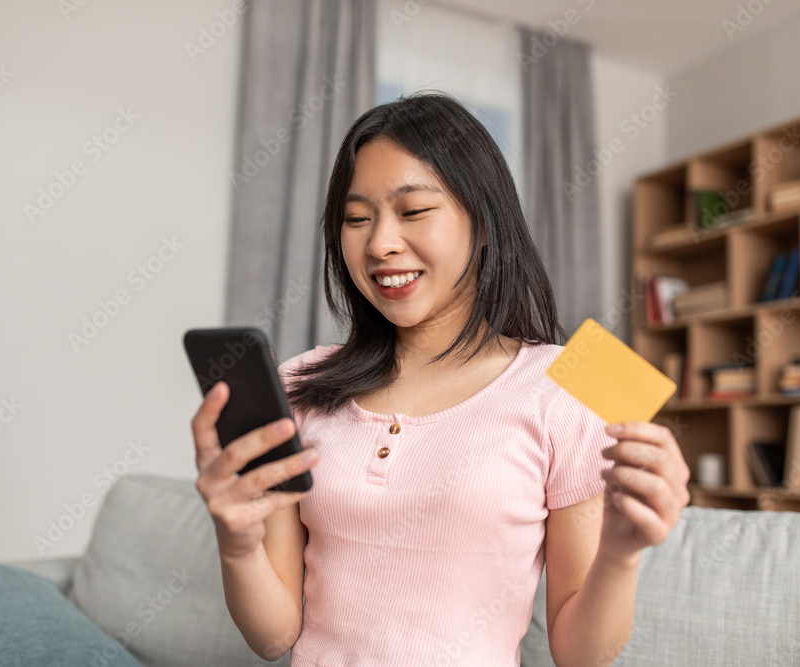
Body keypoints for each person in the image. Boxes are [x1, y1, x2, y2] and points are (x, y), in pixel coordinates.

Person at [191, 92, 691, 666]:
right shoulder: (300, 383)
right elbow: (274, 636)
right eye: (356, 219)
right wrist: (236, 543)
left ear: (482, 223)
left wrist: (622, 553)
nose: (379, 243)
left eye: (413, 211)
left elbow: (580, 655)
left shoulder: (566, 387)